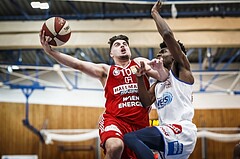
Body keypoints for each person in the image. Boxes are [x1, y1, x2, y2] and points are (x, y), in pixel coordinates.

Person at [39, 32, 162, 158]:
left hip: (139, 124)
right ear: (111, 54)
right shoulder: (106, 71)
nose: (122, 46)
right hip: (114, 120)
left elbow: (162, 76)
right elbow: (78, 64)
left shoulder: (140, 63)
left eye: (125, 44)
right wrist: (51, 52)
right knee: (115, 146)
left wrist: (162, 66)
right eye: (117, 45)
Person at [123, 1, 197, 159]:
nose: (159, 54)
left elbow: (168, 35)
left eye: (164, 51)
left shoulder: (182, 71)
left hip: (181, 129)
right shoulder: (158, 84)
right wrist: (139, 76)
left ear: (175, 54)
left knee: (130, 137)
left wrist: (155, 13)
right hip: (169, 135)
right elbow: (145, 102)